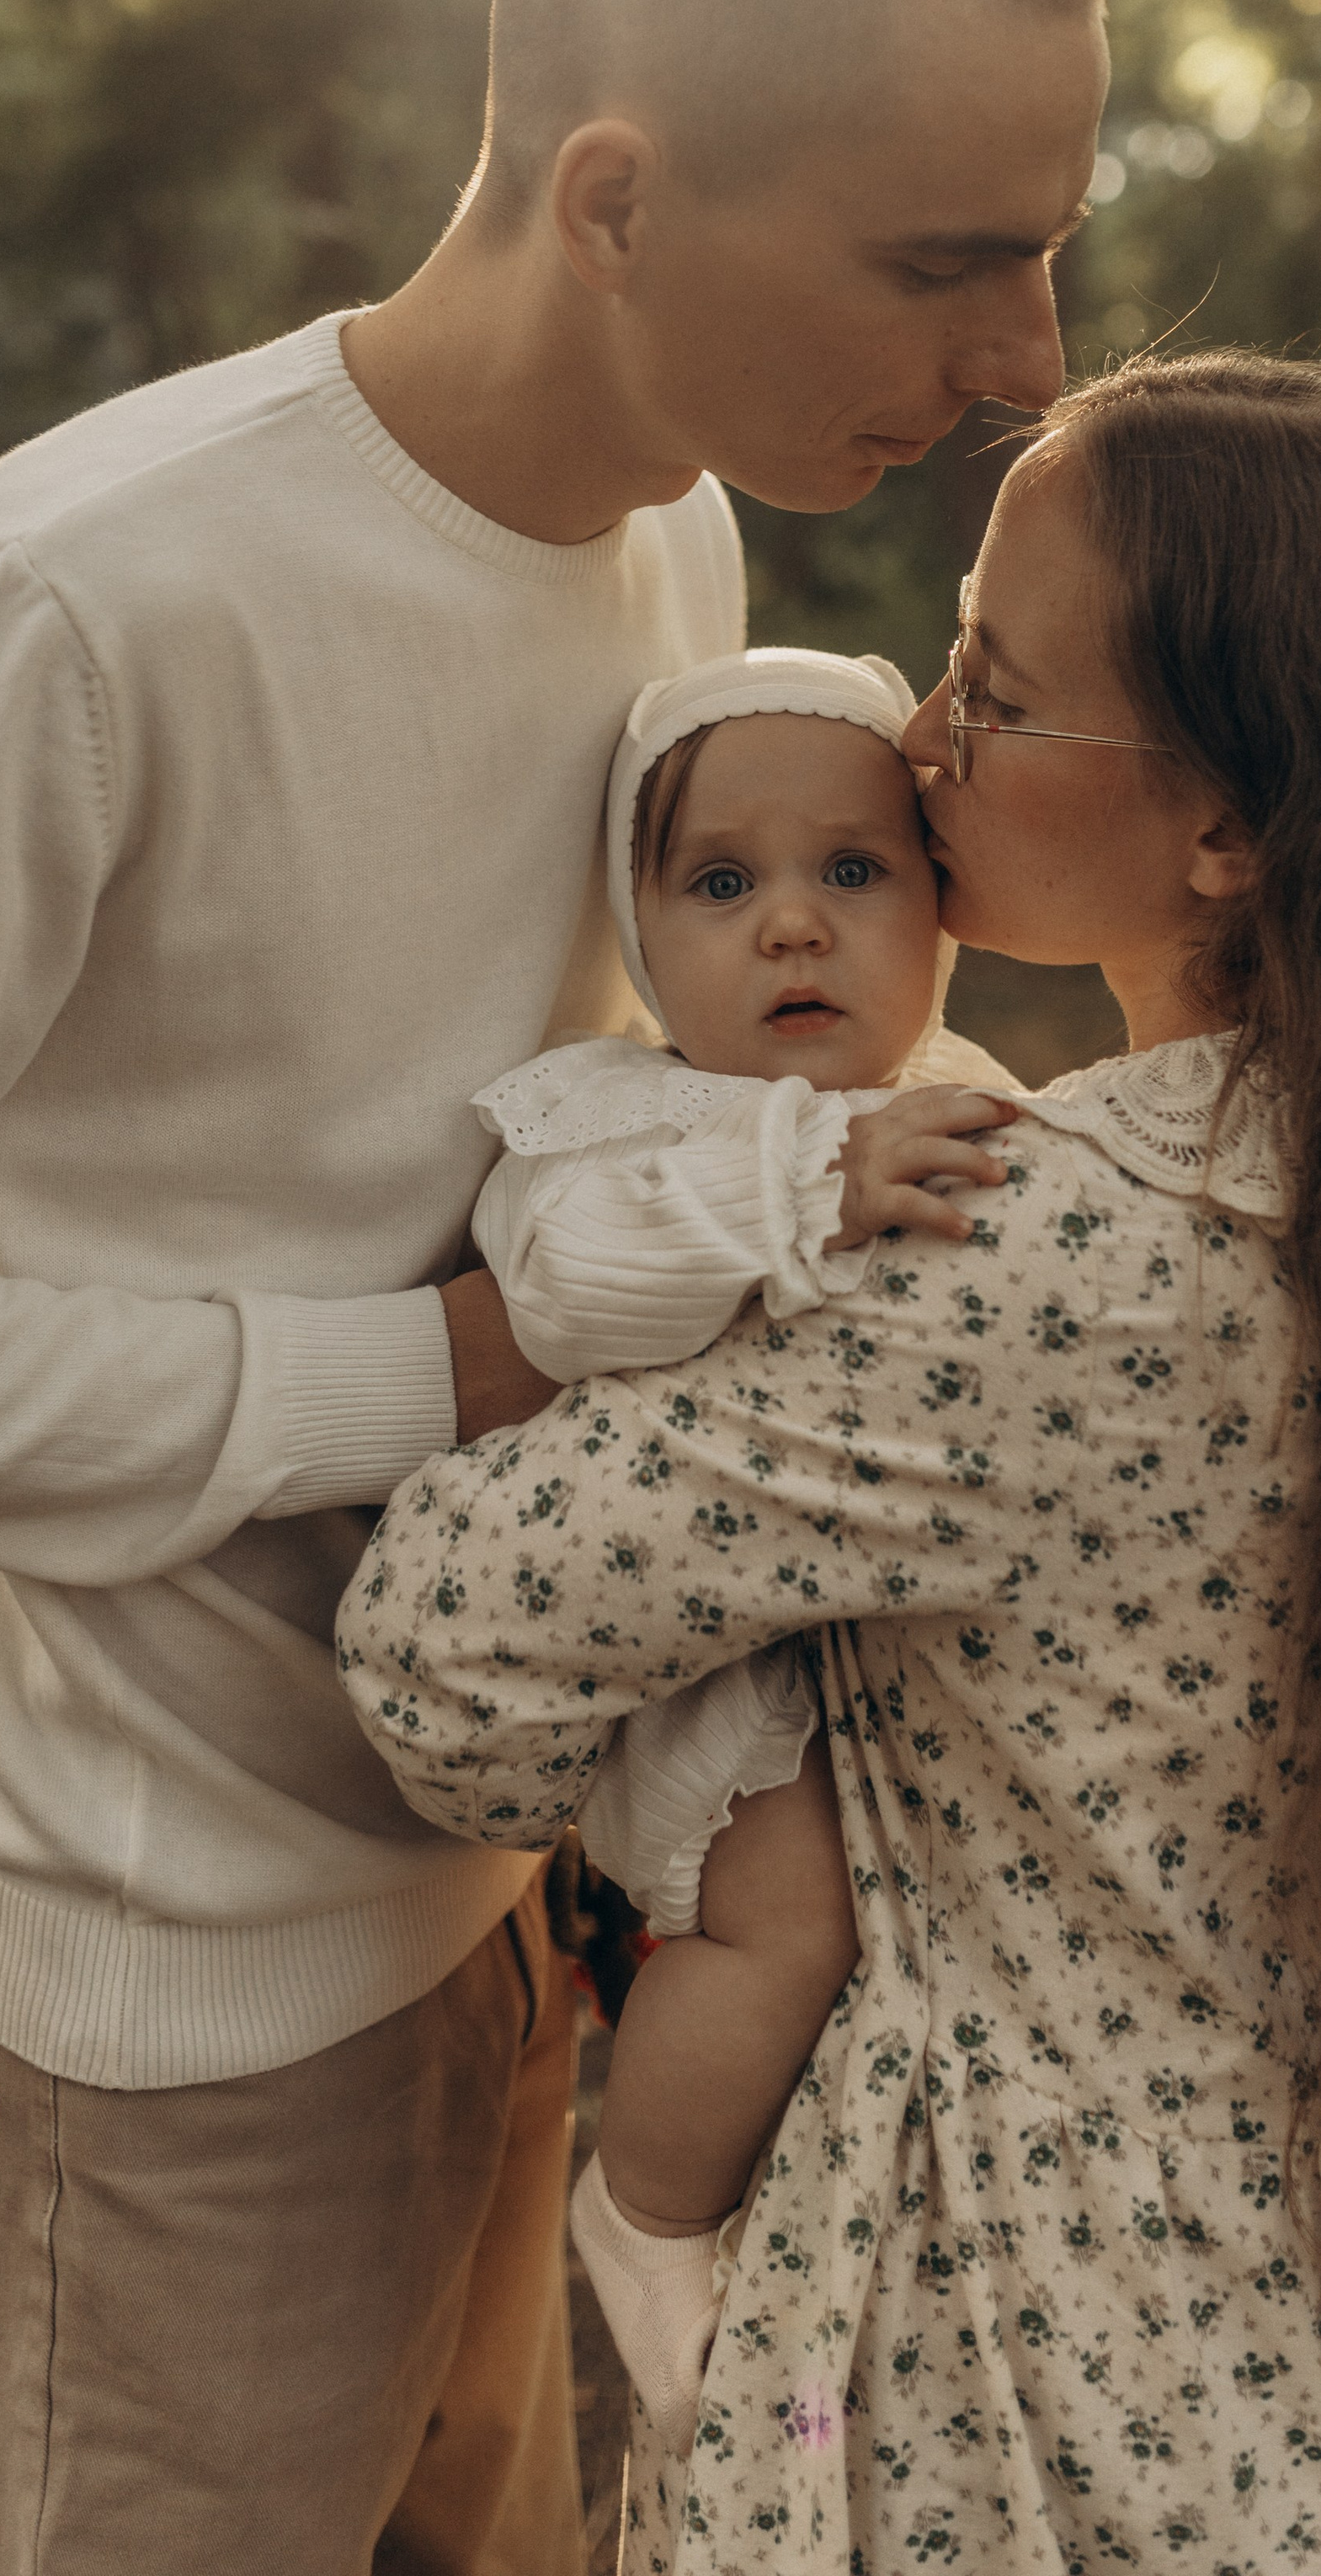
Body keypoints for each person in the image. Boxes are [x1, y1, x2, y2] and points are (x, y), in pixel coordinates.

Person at [0, 0, 1105, 2574]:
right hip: (163, 1998)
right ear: (617, 199)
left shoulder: (675, 554)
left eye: (1041, 252)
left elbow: (587, 1140)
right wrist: (408, 1375)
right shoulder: (79, 604)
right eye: (946, 262)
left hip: (537, 1894)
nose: (1029, 357)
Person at [341, 352, 1321, 2576]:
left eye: (995, 692)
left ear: (1229, 832)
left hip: (1008, 2377)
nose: (919, 738)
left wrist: (703, 1791)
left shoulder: (1035, 1252)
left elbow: (441, 1652)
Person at [467, 643, 1025, 2445]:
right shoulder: (621, 1123)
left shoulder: (971, 1091)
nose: (792, 925)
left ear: (940, 905)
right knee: (790, 1928)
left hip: (922, 1651)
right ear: (637, 929)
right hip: (730, 1679)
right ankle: (646, 2215)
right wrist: (800, 1188)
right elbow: (563, 1295)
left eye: (852, 869)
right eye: (721, 883)